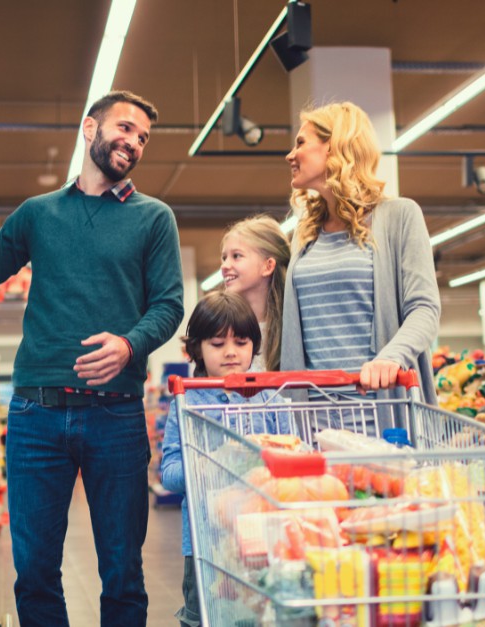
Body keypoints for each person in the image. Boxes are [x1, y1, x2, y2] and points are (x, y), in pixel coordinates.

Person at [0, 90, 184, 627]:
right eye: (124, 128)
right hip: (35, 417)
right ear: (89, 128)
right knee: (36, 573)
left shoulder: (153, 219)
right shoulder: (38, 215)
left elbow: (168, 305)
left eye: (143, 137)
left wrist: (129, 344)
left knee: (122, 573)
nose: (133, 142)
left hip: (116, 416)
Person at [281, 101, 440, 416]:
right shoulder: (304, 233)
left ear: (334, 147)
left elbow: (424, 309)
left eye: (301, 143)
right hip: (313, 421)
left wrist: (392, 357)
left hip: (381, 415)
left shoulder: (399, 216)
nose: (290, 155)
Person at [159, 291, 292, 627]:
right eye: (218, 344)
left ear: (254, 345)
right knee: (205, 618)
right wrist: (208, 460)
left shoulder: (272, 398)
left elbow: (293, 460)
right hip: (207, 547)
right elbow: (169, 474)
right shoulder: (187, 403)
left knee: (268, 617)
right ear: (197, 350)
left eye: (242, 342)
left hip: (268, 541)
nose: (231, 352)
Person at [220, 215, 291, 371]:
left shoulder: (292, 328)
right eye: (224, 257)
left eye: (236, 256)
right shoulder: (221, 328)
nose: (225, 265)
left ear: (268, 266)